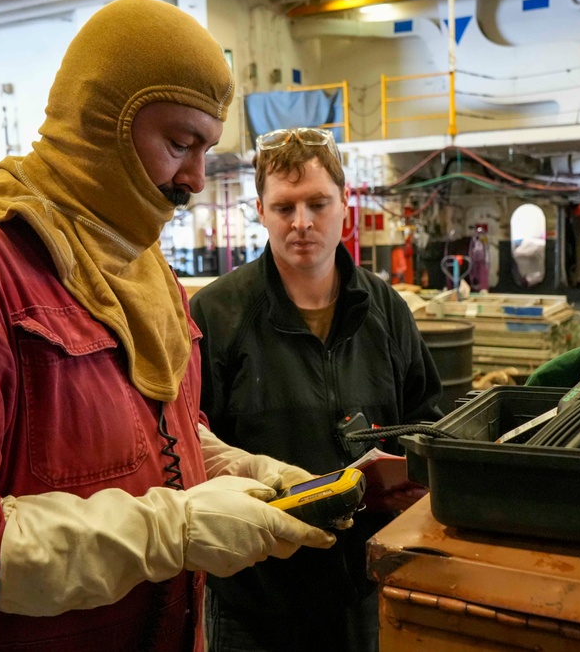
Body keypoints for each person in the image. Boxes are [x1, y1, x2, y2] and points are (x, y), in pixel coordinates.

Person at [0, 0, 337, 652]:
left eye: (206, 149)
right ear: (104, 122)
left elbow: (159, 431)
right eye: (180, 143)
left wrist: (233, 468)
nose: (193, 177)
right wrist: (172, 531)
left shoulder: (145, 268)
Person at [189, 127, 444, 652]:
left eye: (317, 203)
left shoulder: (388, 311)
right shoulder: (216, 314)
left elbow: (427, 419)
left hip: (363, 590)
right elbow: (189, 442)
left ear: (344, 204)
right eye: (284, 207)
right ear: (260, 209)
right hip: (253, 600)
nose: (302, 223)